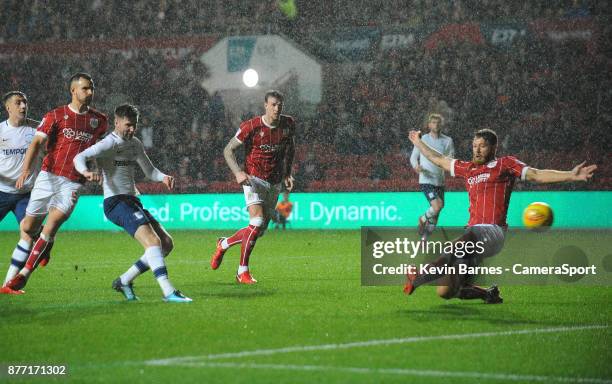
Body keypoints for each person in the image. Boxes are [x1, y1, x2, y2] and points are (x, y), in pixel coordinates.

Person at [404, 128, 597, 303]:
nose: (477, 150)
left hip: (492, 231)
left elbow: (536, 175)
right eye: (474, 146)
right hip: (472, 232)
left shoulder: (505, 164)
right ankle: (488, 294)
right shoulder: (468, 168)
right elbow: (439, 160)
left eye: (483, 146)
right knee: (447, 291)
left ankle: (419, 276)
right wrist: (418, 142)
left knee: (456, 246)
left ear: (494, 147)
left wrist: (571, 175)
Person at [73, 104, 191, 303]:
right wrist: (85, 172)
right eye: (128, 125)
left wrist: (163, 177)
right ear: (116, 122)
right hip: (115, 202)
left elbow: (150, 171)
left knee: (166, 244)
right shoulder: (108, 144)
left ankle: (124, 281)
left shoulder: (135, 143)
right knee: (153, 242)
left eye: (134, 125)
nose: (131, 129)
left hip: (132, 200)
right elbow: (79, 156)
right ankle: (168, 291)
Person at [3, 73, 108, 292]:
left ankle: (23, 275)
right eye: (85, 88)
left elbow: (96, 150)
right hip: (47, 177)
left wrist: (96, 169)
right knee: (27, 227)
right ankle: (46, 245)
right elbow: (36, 143)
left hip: (73, 182)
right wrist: (25, 171)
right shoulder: (55, 115)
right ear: (73, 91)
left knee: (51, 226)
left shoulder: (99, 120)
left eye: (91, 88)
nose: (90, 92)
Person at [211, 90, 296, 284]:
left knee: (259, 230)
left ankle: (224, 243)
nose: (277, 108)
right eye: (273, 104)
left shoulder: (288, 124)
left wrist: (288, 172)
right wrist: (238, 173)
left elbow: (291, 148)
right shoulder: (252, 126)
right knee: (256, 223)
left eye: (280, 104)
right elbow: (228, 150)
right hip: (253, 179)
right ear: (265, 105)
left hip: (274, 182)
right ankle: (242, 272)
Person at [0, 92, 41, 293]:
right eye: (18, 103)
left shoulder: (36, 130)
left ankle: (8, 285)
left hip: (25, 195)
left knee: (27, 234)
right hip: (1, 192)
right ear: (8, 108)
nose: (23, 105)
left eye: (25, 101)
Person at [410, 113, 454, 241]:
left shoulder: (447, 141)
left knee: (437, 212)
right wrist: (416, 166)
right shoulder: (422, 139)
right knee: (437, 206)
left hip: (439, 180)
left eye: (438, 122)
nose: (436, 125)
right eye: (433, 122)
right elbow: (413, 157)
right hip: (426, 179)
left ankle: (424, 238)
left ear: (441, 124)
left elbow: (450, 159)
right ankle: (422, 219)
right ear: (429, 125)